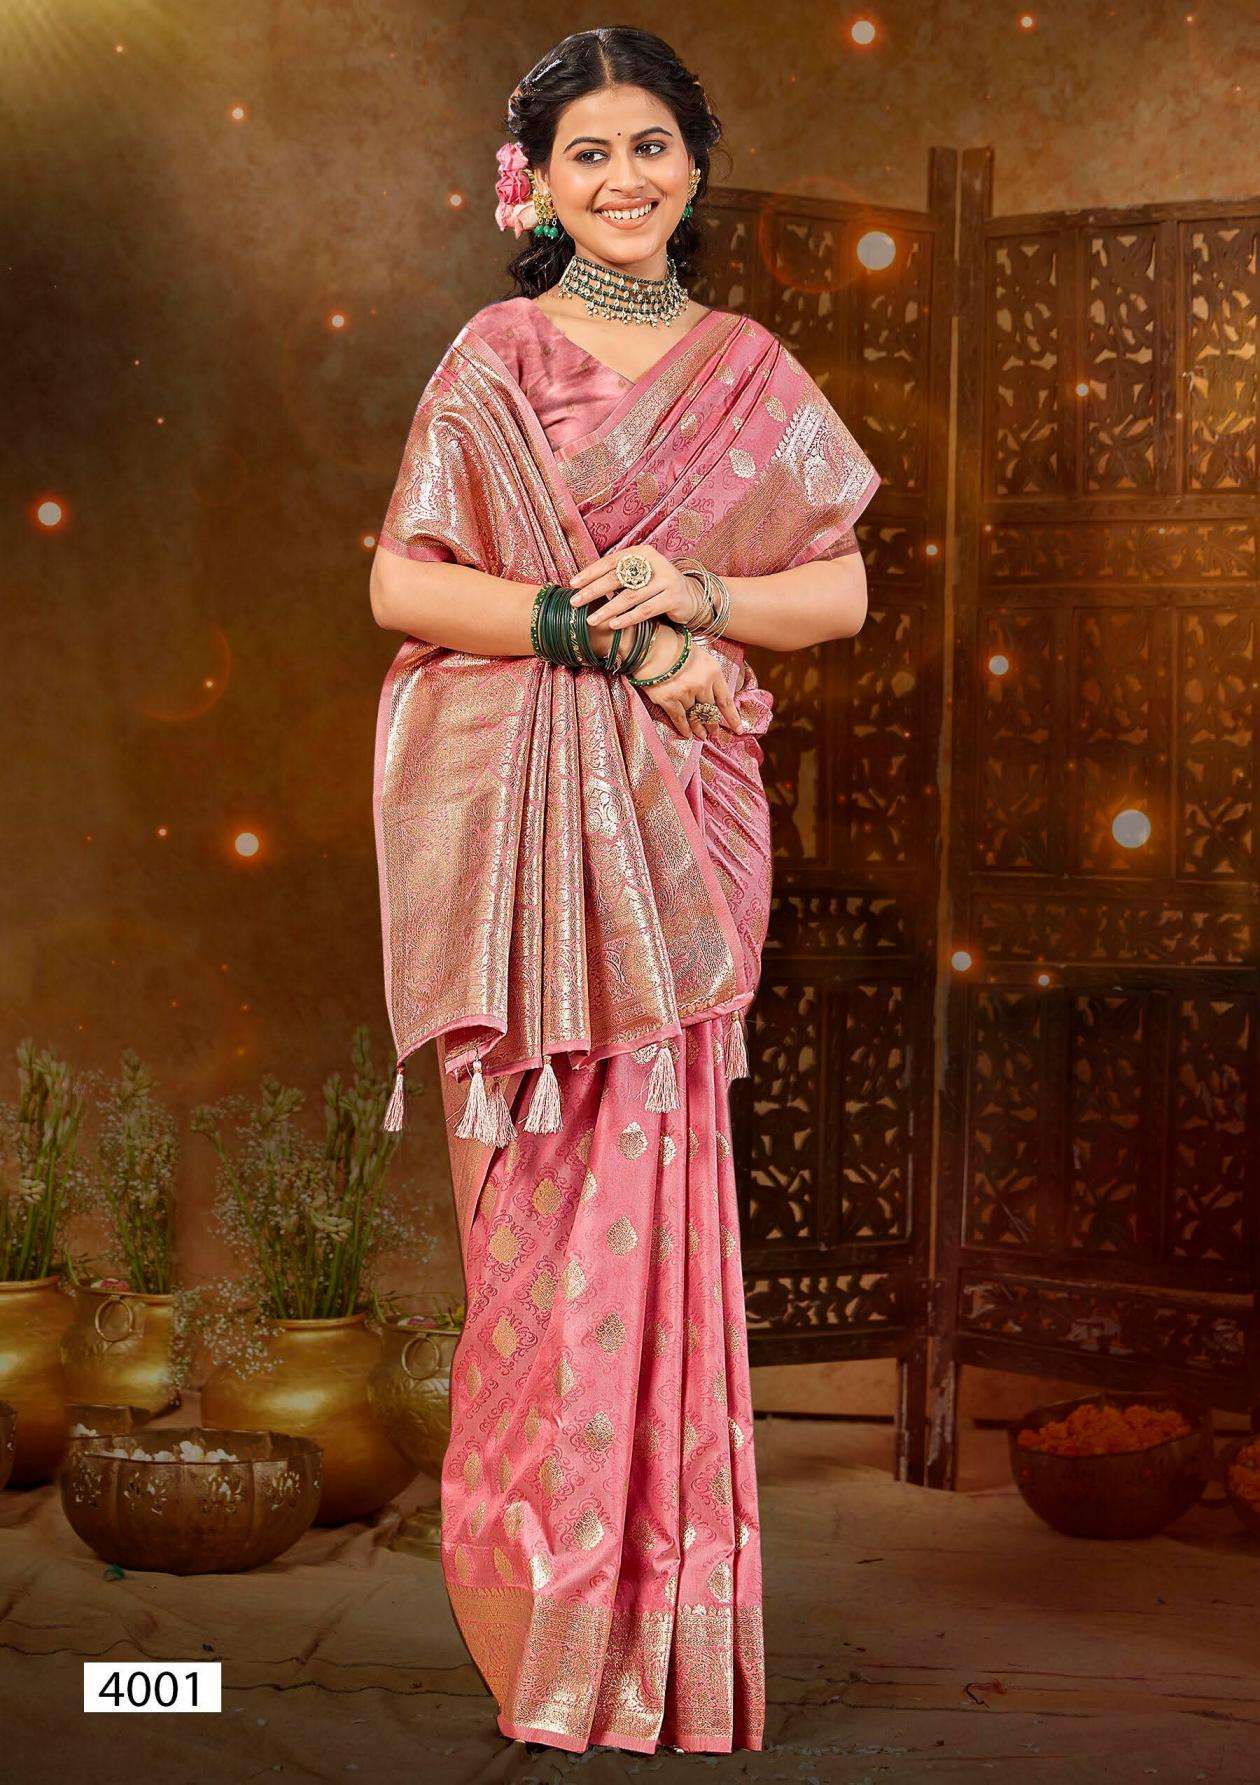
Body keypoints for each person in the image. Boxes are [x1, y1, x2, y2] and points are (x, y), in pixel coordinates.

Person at [369, 26, 878, 1758]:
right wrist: (591, 631)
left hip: (672, 840)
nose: (626, 179)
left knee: (654, 1218)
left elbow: (838, 593)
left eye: (650, 144)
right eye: (588, 152)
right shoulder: (495, 360)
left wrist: (702, 602)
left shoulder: (746, 369)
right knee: (530, 1250)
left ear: (695, 161)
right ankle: (546, 1630)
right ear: (537, 182)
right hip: (517, 861)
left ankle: (652, 1641)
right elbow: (403, 587)